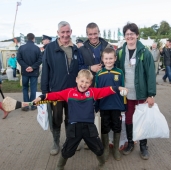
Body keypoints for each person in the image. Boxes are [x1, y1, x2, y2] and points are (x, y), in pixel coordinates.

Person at [34, 69, 127, 170]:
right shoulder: (69, 92)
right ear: (76, 80)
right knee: (67, 150)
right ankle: (60, 166)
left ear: (91, 83)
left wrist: (118, 87)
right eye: (82, 81)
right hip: (74, 127)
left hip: (89, 127)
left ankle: (102, 164)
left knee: (99, 149)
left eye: (87, 82)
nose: (84, 84)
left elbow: (106, 90)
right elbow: (55, 95)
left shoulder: (93, 92)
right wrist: (42, 97)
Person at [116, 22, 156, 160]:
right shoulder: (120, 52)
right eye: (127, 34)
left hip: (141, 93)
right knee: (128, 118)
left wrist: (151, 94)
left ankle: (143, 146)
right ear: (124, 36)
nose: (129, 36)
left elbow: (151, 74)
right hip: (126, 93)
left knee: (142, 119)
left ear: (137, 35)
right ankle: (131, 143)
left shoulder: (145, 52)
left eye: (132, 34)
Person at [41, 21, 81, 156]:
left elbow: (79, 70)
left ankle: (70, 142)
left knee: (71, 118)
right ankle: (56, 141)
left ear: (71, 32)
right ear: (58, 33)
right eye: (62, 32)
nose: (65, 35)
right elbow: (45, 71)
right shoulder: (50, 49)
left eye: (68, 31)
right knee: (56, 118)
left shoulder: (75, 48)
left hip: (72, 92)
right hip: (56, 92)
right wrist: (45, 92)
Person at [95, 48, 127, 161]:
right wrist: (96, 105)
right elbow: (96, 91)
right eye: (106, 58)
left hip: (116, 106)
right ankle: (106, 149)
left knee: (117, 126)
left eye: (111, 58)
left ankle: (116, 149)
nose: (108, 61)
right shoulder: (99, 73)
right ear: (103, 59)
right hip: (104, 106)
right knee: (105, 127)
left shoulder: (119, 72)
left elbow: (123, 88)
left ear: (115, 59)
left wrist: (124, 104)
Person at [17, 33, 42, 111]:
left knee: (25, 88)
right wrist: (32, 67)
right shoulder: (37, 48)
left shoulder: (21, 48)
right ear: (33, 38)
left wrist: (26, 67)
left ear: (27, 38)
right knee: (33, 88)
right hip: (34, 72)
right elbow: (40, 60)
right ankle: (33, 105)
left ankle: (26, 106)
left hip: (25, 72)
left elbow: (19, 59)